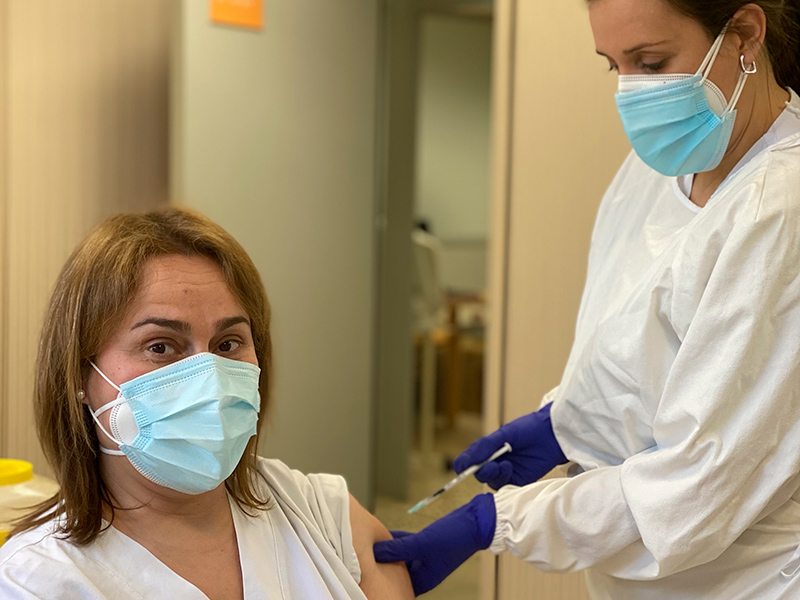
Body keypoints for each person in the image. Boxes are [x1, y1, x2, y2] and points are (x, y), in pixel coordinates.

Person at [375, 1, 800, 598]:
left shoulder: (780, 211)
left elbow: (699, 485)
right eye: (614, 66)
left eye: (651, 63)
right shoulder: (657, 169)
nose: (632, 93)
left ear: (745, 37)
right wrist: (567, 424)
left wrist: (498, 522)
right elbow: (634, 349)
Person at [0, 208, 413, 600]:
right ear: (81, 377)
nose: (209, 374)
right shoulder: (36, 581)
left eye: (228, 343)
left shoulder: (318, 508)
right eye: (160, 346)